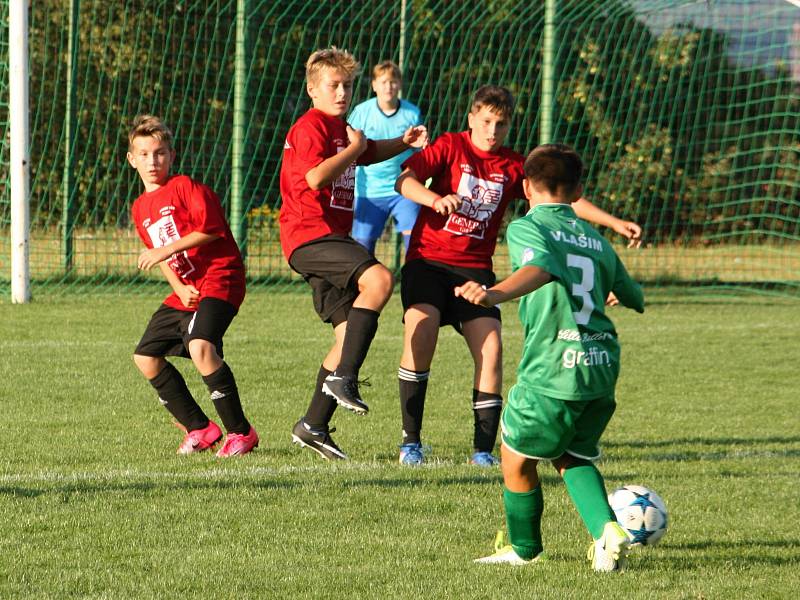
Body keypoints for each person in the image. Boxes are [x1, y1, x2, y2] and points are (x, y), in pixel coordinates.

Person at [394, 86, 641, 467]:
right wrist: (434, 199)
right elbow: (405, 180)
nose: (493, 131)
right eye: (487, 121)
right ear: (472, 118)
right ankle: (411, 442)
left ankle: (482, 450)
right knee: (420, 329)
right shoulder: (449, 146)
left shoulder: (512, 166)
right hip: (428, 262)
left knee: (491, 349)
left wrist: (614, 222)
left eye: (502, 124)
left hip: (474, 271)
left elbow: (560, 196)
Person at [457, 144, 644, 571]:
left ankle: (524, 550)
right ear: (578, 191)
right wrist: (612, 292)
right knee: (573, 454)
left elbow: (539, 266)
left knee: (514, 453)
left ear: (525, 187)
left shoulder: (529, 227)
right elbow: (634, 296)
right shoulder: (595, 238)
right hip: (600, 365)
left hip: (554, 366)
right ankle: (607, 530)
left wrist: (493, 293)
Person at [279, 47, 427, 460]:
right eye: (333, 85)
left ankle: (313, 425)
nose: (342, 92)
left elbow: (365, 150)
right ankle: (345, 378)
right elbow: (314, 177)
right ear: (312, 90)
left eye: (346, 85)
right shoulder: (311, 127)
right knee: (380, 279)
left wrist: (402, 141)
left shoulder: (341, 128)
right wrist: (352, 148)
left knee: (346, 336)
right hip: (310, 233)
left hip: (325, 236)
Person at [128, 114, 259, 457]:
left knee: (202, 346)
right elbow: (163, 259)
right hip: (186, 291)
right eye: (143, 154)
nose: (152, 161)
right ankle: (200, 428)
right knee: (145, 357)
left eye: (159, 153)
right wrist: (179, 285)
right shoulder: (140, 207)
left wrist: (165, 250)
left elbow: (211, 229)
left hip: (221, 277)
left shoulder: (185, 187)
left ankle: (240, 433)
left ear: (171, 156)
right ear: (132, 159)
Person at [348, 61, 423, 254]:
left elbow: (419, 153)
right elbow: (349, 149)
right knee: (362, 250)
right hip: (368, 192)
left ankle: (414, 283)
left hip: (404, 190)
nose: (388, 87)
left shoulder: (412, 113)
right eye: (383, 82)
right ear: (373, 85)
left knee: (416, 244)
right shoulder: (361, 112)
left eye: (393, 81)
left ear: (399, 84)